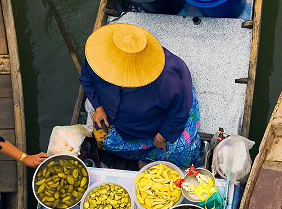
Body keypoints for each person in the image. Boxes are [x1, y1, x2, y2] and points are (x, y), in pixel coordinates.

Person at [79, 23, 201, 168]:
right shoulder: (99, 59)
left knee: (183, 150)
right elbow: (86, 78)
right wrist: (98, 106)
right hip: (124, 124)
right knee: (105, 143)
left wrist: (162, 137)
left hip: (154, 123)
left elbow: (179, 111)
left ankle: (150, 157)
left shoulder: (165, 80)